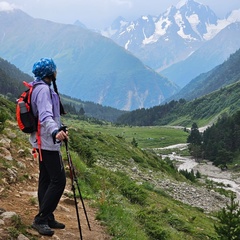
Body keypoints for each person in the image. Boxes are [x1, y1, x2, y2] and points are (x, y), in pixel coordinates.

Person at [29, 58, 68, 236]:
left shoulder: (37, 87)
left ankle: (48, 215)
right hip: (48, 142)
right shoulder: (44, 90)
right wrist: (55, 132)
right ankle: (41, 219)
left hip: (41, 141)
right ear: (49, 73)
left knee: (46, 178)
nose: (56, 73)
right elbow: (45, 115)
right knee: (59, 180)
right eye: (55, 70)